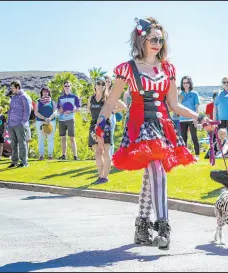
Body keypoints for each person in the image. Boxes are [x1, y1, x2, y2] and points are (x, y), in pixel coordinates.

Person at [94, 17, 206, 250]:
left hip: (162, 124)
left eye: (161, 39)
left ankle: (142, 227)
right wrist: (100, 123)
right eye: (153, 38)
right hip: (139, 124)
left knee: (151, 173)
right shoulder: (127, 68)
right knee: (155, 168)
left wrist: (199, 117)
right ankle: (163, 226)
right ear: (142, 39)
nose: (157, 43)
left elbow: (174, 105)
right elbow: (110, 101)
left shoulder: (168, 69)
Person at [87, 76, 126, 184]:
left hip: (105, 126)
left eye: (103, 84)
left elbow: (123, 106)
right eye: (98, 83)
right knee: (98, 152)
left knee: (106, 152)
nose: (100, 86)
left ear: (105, 86)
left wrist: (112, 111)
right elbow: (88, 110)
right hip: (94, 126)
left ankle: (105, 177)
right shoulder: (91, 98)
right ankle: (100, 177)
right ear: (95, 85)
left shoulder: (108, 97)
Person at [7, 80, 32, 168]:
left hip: (20, 124)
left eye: (13, 88)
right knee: (13, 143)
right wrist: (8, 122)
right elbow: (10, 110)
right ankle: (14, 161)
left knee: (22, 143)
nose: (12, 90)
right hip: (11, 124)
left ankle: (24, 162)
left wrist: (23, 122)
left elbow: (27, 111)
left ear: (17, 87)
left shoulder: (24, 97)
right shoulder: (13, 97)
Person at [57, 80, 81, 160]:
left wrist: (70, 111)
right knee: (63, 138)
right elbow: (58, 109)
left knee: (72, 138)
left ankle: (75, 156)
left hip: (70, 119)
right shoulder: (60, 98)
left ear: (71, 87)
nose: (67, 87)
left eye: (68, 86)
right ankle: (63, 156)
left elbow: (78, 109)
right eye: (65, 86)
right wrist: (60, 110)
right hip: (61, 120)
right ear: (63, 87)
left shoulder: (74, 97)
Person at [178, 76, 201, 159]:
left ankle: (197, 155)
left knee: (194, 137)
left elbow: (197, 106)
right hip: (182, 119)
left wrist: (196, 118)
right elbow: (177, 106)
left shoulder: (194, 94)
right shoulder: (180, 94)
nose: (185, 84)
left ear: (190, 83)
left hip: (192, 118)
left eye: (187, 82)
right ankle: (184, 155)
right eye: (183, 83)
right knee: (183, 138)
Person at [34, 87, 57, 160]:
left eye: (47, 91)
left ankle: (50, 155)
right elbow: (36, 112)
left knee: (50, 138)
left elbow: (55, 111)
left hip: (51, 121)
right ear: (41, 93)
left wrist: (50, 118)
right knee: (41, 138)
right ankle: (41, 155)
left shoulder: (52, 101)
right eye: (43, 91)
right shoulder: (38, 101)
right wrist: (44, 118)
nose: (45, 93)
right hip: (40, 121)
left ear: (49, 92)